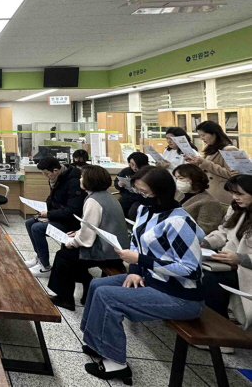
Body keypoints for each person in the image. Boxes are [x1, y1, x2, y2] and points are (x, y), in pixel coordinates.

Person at [80, 166, 205, 383]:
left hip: (180, 295)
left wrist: (141, 262)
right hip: (152, 279)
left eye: (145, 193)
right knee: (97, 286)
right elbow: (137, 243)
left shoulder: (179, 221)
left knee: (108, 297)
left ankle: (116, 363)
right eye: (137, 192)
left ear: (161, 191)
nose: (140, 197)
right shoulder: (146, 211)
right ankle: (97, 342)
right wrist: (136, 270)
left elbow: (190, 270)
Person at [48, 165, 129, 311]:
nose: (80, 179)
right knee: (69, 253)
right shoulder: (107, 196)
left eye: (82, 177)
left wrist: (72, 242)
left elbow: (87, 237)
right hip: (115, 248)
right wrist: (77, 233)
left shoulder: (93, 200)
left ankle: (65, 298)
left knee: (64, 255)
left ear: (90, 180)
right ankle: (84, 280)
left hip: (107, 252)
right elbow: (92, 226)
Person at [201, 175, 252, 331]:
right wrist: (204, 243)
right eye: (233, 193)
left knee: (210, 279)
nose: (235, 197)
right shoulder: (237, 209)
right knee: (198, 271)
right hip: (229, 264)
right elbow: (223, 232)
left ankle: (220, 331)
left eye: (240, 194)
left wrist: (239, 258)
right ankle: (210, 326)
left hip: (246, 269)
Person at [23, 157, 86, 277]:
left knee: (37, 228)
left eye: (46, 174)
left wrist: (49, 214)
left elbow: (73, 210)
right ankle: (39, 257)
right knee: (29, 223)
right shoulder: (56, 179)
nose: (46, 176)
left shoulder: (73, 181)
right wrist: (44, 208)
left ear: (55, 170)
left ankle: (45, 267)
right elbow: (52, 199)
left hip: (71, 222)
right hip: (60, 216)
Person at [186, 120, 239, 204]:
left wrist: (205, 163)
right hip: (209, 192)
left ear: (214, 133)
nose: (202, 138)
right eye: (200, 136)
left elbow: (233, 175)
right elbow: (206, 170)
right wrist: (196, 163)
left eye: (204, 135)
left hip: (222, 194)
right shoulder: (211, 149)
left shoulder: (229, 150)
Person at [173, 164, 227, 234]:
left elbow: (205, 230)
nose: (178, 181)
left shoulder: (209, 202)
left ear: (194, 179)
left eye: (181, 178)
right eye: (176, 178)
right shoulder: (178, 193)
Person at [114, 151, 149, 220]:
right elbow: (116, 183)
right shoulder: (125, 171)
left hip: (142, 199)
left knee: (133, 212)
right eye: (132, 164)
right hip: (127, 197)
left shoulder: (149, 172)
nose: (134, 167)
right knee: (116, 209)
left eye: (137, 165)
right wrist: (119, 184)